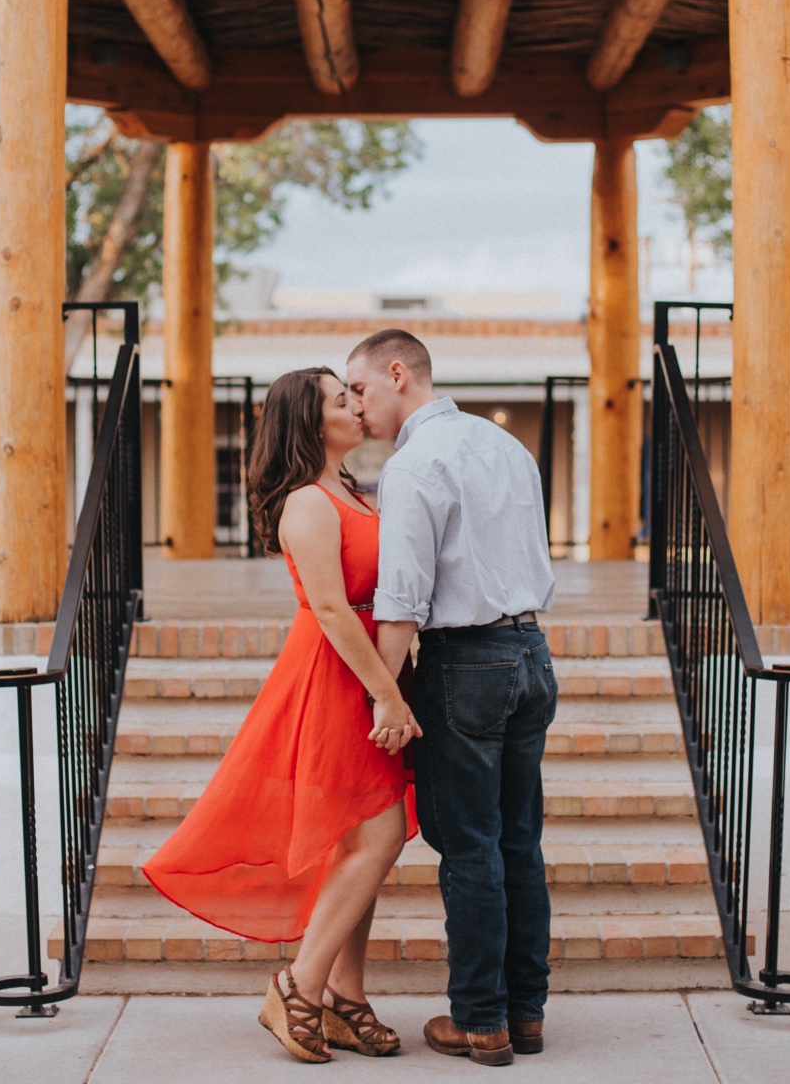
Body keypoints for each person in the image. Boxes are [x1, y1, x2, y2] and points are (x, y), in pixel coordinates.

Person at [143, 368, 419, 1064]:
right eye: (340, 399)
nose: (357, 405)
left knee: (361, 844)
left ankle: (343, 1000)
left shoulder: (347, 491)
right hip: (335, 678)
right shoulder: (307, 503)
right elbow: (329, 607)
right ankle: (297, 987)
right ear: (307, 422)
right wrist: (386, 693)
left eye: (354, 395)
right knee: (377, 835)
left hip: (364, 669)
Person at [347, 329, 558, 1068]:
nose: (357, 406)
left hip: (465, 664)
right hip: (532, 653)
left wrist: (383, 697)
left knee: (470, 848)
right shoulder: (506, 448)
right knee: (516, 842)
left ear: (398, 374)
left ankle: (480, 1021)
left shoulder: (413, 464)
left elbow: (402, 599)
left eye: (362, 389)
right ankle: (525, 1016)